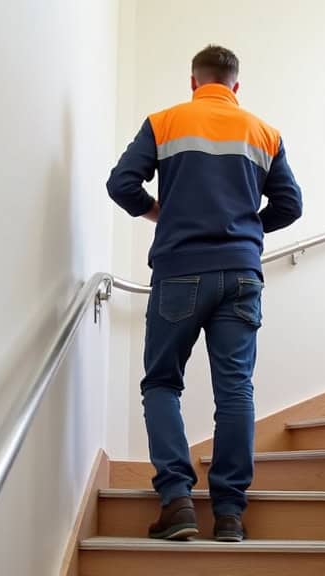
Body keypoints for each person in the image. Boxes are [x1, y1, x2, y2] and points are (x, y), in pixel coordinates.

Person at [106, 45, 303, 542]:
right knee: (235, 389)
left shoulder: (165, 121)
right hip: (240, 273)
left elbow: (121, 183)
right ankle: (231, 514)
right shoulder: (264, 132)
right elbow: (291, 205)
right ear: (235, 87)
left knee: (162, 385)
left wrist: (159, 213)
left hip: (179, 271)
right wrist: (248, 228)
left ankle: (176, 503)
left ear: (193, 82)